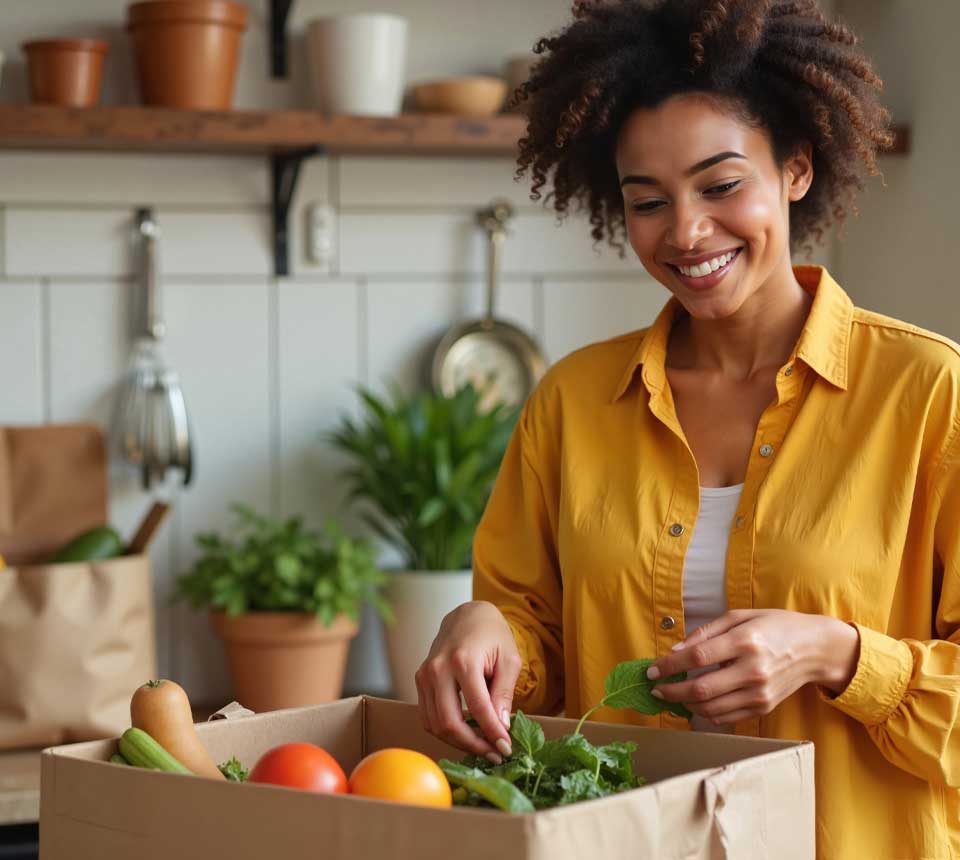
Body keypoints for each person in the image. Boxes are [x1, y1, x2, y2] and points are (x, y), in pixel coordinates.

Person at [415, 0, 959, 856]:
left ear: (798, 169)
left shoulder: (930, 392)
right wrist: (482, 631)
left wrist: (844, 656)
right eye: (648, 201)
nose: (687, 231)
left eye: (721, 185)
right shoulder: (573, 400)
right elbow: (530, 628)